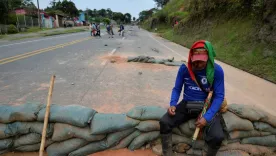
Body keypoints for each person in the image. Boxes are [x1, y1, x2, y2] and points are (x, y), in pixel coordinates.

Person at [159, 40, 226, 156]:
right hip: (187, 103)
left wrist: (206, 118)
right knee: (164, 122)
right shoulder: (184, 69)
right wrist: (173, 104)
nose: (198, 65)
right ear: (190, 57)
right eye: (195, 61)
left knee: (218, 136)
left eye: (202, 62)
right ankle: (167, 153)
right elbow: (177, 89)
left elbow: (219, 96)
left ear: (208, 59)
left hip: (207, 106)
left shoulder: (217, 71)